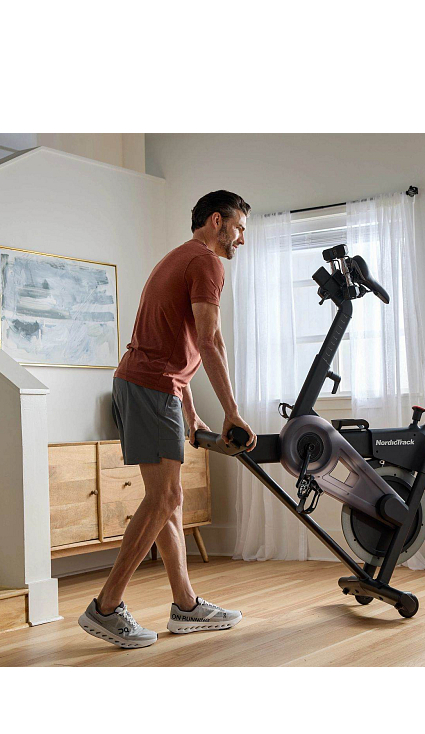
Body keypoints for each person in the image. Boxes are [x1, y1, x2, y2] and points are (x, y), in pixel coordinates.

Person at [78, 190, 256, 649]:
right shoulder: (206, 262)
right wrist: (232, 413)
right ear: (216, 221)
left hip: (152, 385)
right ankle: (105, 608)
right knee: (164, 498)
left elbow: (179, 346)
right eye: (239, 228)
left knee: (168, 502)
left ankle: (186, 606)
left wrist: (192, 415)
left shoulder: (179, 258)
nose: (241, 239)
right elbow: (209, 341)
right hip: (151, 388)